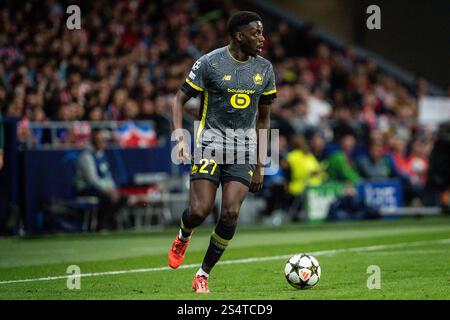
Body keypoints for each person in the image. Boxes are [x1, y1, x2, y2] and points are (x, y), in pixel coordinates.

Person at [168, 11, 276, 293]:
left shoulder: (264, 69)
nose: (262, 38)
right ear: (239, 35)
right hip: (210, 145)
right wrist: (180, 137)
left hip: (243, 150)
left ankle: (202, 274)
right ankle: (183, 234)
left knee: (229, 214)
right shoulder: (209, 63)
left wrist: (261, 164)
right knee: (200, 210)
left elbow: (264, 119)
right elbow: (179, 100)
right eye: (256, 33)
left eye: (262, 32)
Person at [73, 129, 128, 230]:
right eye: (98, 140)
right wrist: (107, 191)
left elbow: (107, 175)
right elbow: (92, 179)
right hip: (86, 189)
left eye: (103, 140)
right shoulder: (86, 156)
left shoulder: (102, 155)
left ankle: (108, 221)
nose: (101, 143)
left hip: (101, 188)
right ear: (93, 141)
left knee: (123, 198)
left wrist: (113, 189)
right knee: (107, 198)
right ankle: (100, 224)